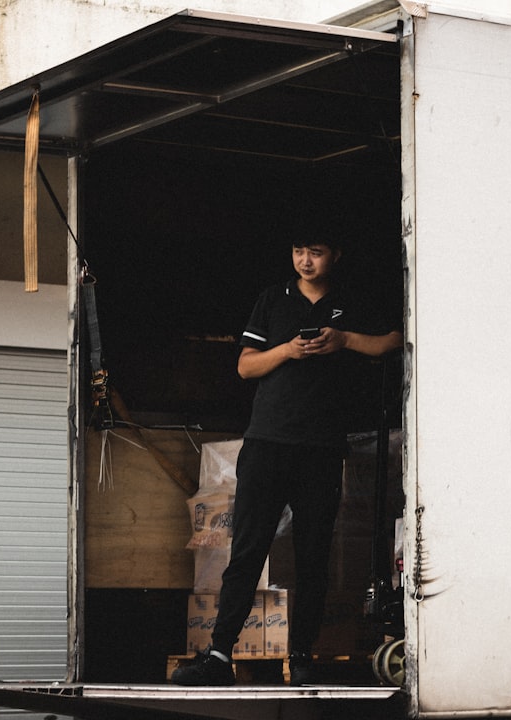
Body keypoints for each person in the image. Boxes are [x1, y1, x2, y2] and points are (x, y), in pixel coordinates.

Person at [172, 236, 402, 686]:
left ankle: (302, 656)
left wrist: (344, 340)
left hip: (320, 446)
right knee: (247, 550)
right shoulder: (273, 299)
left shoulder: (350, 302)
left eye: (316, 251)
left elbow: (393, 340)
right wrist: (288, 350)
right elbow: (245, 366)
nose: (306, 259)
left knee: (313, 557)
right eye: (299, 250)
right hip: (267, 442)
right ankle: (219, 656)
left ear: (336, 255)